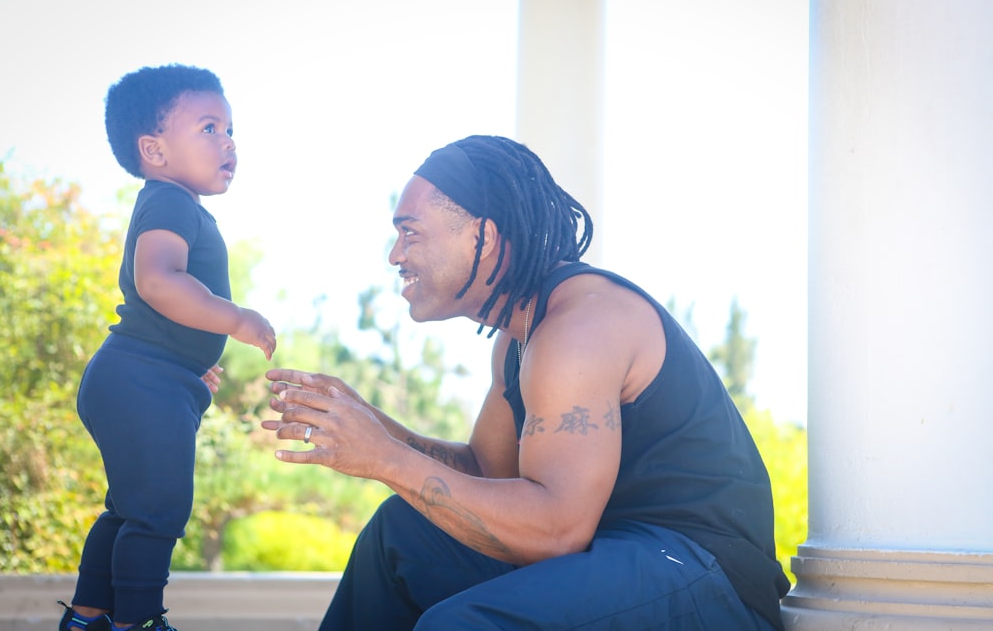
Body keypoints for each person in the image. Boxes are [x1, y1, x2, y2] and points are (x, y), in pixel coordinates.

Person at [262, 135, 790, 630]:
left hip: (702, 575)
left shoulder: (578, 329)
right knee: (399, 534)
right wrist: (376, 428)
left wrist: (385, 459)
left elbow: (558, 530)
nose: (396, 256)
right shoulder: (517, 339)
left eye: (411, 232)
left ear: (484, 237)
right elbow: (488, 474)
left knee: (460, 626)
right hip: (615, 554)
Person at [58, 64, 277, 631]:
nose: (228, 141)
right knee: (159, 510)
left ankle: (87, 619)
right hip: (139, 378)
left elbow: (162, 306)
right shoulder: (171, 202)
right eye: (209, 127)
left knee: (131, 508)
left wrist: (189, 361)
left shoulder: (172, 204)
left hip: (141, 375)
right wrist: (236, 319)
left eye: (230, 129)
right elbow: (157, 281)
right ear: (153, 150)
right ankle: (138, 621)